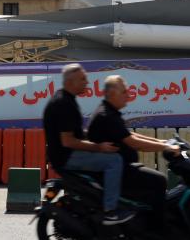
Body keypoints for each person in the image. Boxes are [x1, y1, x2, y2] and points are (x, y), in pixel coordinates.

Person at [43, 63, 135, 225]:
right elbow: (68, 141)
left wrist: (96, 136)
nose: (87, 82)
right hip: (66, 157)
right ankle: (110, 211)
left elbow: (76, 133)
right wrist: (99, 147)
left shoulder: (66, 99)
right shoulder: (64, 104)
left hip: (64, 154)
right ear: (70, 82)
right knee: (114, 161)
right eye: (82, 79)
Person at [87, 75, 180, 230]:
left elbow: (130, 135)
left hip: (122, 167)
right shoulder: (107, 115)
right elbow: (134, 143)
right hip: (118, 171)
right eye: (124, 92)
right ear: (111, 94)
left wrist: (162, 142)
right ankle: (157, 229)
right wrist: (165, 147)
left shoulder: (110, 112)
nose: (128, 96)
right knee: (159, 181)